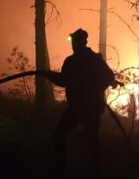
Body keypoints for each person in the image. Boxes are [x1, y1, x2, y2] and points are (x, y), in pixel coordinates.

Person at [38, 28, 115, 178]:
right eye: (73, 42)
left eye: (75, 42)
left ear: (81, 43)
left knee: (63, 136)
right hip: (86, 108)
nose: (73, 45)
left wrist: (97, 88)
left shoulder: (77, 61)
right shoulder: (90, 60)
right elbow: (108, 77)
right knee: (90, 140)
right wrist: (48, 74)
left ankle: (64, 170)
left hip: (82, 108)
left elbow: (63, 81)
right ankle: (89, 171)